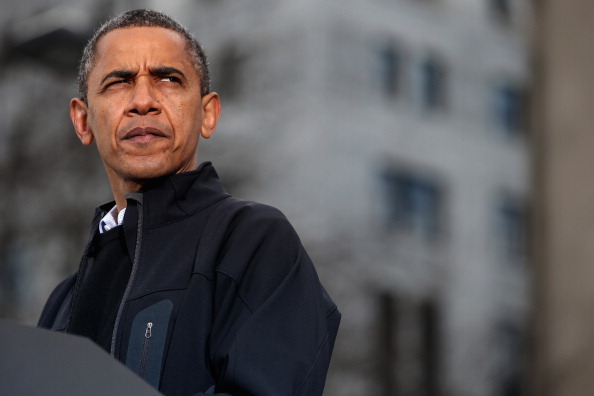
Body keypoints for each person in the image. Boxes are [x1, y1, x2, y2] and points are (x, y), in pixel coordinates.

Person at [37, 9, 340, 396]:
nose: (143, 101)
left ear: (208, 114)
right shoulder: (63, 301)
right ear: (82, 121)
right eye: (119, 82)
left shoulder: (252, 241)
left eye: (168, 79)